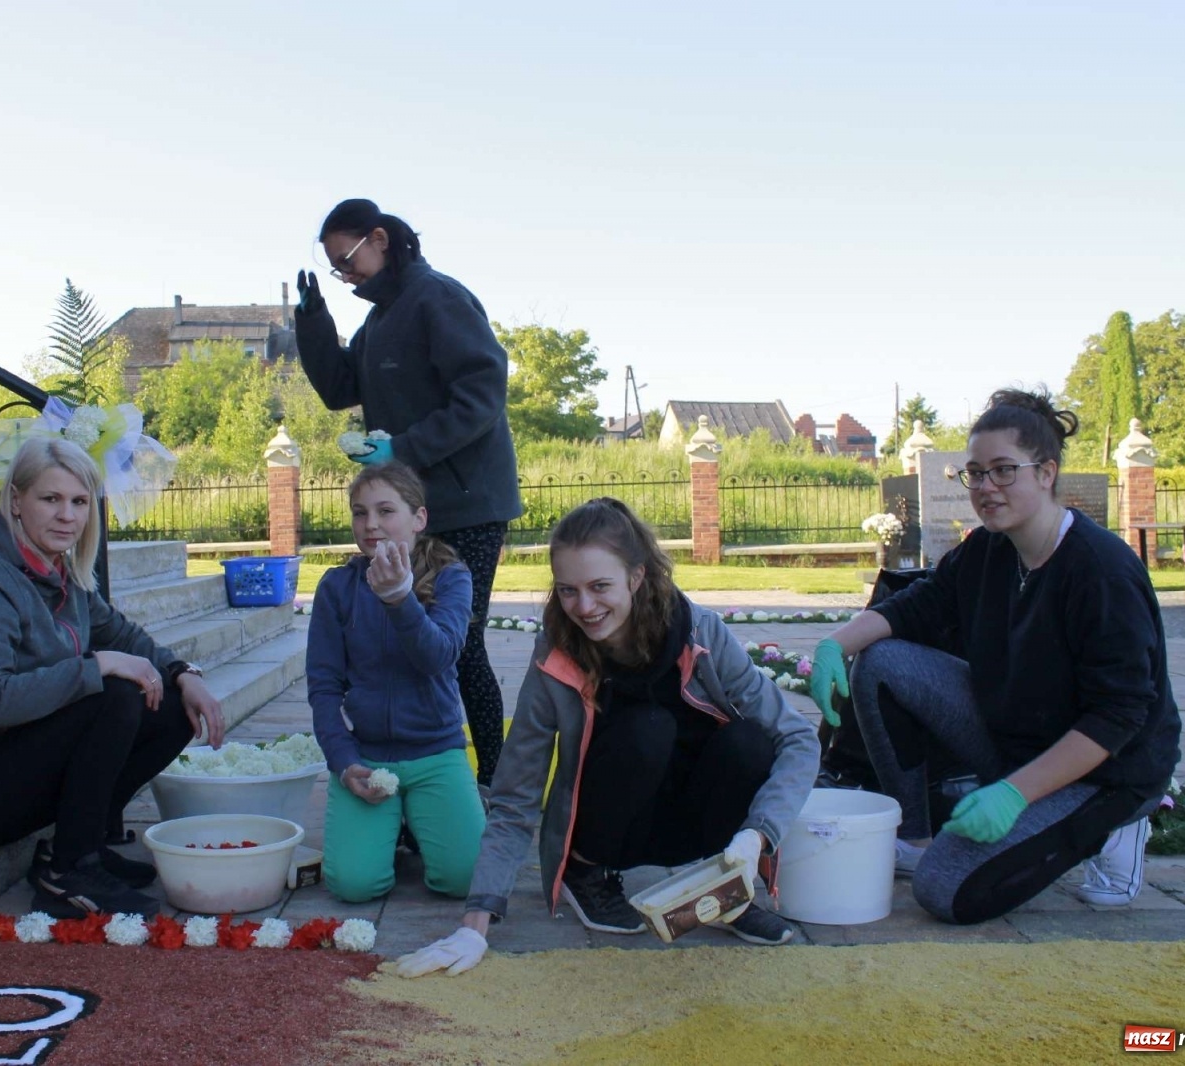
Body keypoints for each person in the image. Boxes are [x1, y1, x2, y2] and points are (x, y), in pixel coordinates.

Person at [395, 498, 821, 977]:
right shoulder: (556, 657)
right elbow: (515, 798)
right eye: (567, 591)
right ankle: (586, 871)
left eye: (600, 587)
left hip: (694, 819)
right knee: (648, 728)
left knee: (749, 742)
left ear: (636, 577)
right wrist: (476, 922)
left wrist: (756, 835)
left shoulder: (701, 631)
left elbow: (798, 739)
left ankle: (724, 887)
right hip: (611, 825)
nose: (585, 607)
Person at [807, 388, 1182, 925]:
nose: (985, 487)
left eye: (1004, 471)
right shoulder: (987, 549)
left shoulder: (1101, 571)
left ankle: (1119, 826)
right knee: (884, 661)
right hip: (1016, 741)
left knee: (945, 893)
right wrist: (833, 646)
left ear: (1047, 472)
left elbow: (1118, 715)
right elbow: (916, 607)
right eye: (975, 473)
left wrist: (1013, 793)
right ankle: (915, 839)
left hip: (1107, 768)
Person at [0, 436, 224, 919]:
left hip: (14, 761)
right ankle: (68, 870)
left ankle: (88, 842)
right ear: (16, 500)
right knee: (114, 694)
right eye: (50, 499)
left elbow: (129, 638)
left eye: (79, 502)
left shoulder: (61, 575)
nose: (67, 516)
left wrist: (185, 674)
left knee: (169, 709)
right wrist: (96, 666)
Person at [294, 198, 522, 790]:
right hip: (409, 509)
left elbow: (482, 392)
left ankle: (492, 783)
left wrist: (403, 450)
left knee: (459, 644)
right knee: (401, 637)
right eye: (335, 269)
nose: (345, 275)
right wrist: (314, 319)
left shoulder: (437, 298)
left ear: (380, 238)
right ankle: (423, 772)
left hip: (465, 503)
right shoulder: (380, 319)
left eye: (346, 260)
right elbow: (341, 386)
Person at [306, 462, 486, 903]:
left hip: (435, 752)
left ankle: (427, 816)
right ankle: (398, 823)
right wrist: (344, 762)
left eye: (386, 511)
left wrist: (399, 598)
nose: (370, 525)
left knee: (465, 880)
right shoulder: (337, 586)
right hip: (369, 759)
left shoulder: (452, 577)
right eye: (359, 512)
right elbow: (324, 687)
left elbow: (438, 655)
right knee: (353, 886)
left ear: (418, 518)